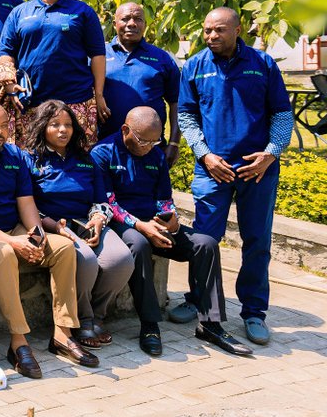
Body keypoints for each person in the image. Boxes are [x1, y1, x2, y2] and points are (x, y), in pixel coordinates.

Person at [0, 103, 92, 378]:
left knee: (62, 248)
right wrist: (14, 243)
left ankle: (62, 333)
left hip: (13, 227)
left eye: (4, 126)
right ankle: (18, 341)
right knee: (5, 253)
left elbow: (26, 203)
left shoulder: (14, 155)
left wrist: (36, 236)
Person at [92, 107, 249, 356]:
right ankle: (150, 324)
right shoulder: (102, 154)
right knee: (138, 244)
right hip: (121, 224)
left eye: (155, 141)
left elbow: (164, 200)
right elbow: (108, 204)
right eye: (143, 140)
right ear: (125, 130)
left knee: (206, 243)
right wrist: (141, 226)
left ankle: (210, 324)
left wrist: (171, 222)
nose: (148, 147)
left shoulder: (155, 155)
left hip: (155, 223)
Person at [177, 7, 292, 345]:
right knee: (204, 241)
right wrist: (205, 155)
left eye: (220, 30)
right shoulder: (195, 65)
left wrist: (270, 154)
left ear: (238, 29)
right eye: (207, 30)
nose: (212, 36)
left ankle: (254, 312)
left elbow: (283, 114)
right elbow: (186, 115)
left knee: (257, 241)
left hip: (257, 170)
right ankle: (198, 300)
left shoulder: (262, 64)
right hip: (213, 169)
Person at [22, 99, 133, 350]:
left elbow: (101, 200)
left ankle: (96, 314)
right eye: (55, 124)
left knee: (121, 260)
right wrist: (53, 225)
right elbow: (25, 206)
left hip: (86, 222)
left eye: (68, 125)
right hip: (53, 227)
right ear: (41, 127)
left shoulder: (85, 158)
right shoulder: (29, 160)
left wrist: (97, 219)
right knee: (86, 260)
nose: (63, 130)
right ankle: (82, 321)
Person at [0, 0, 108, 145]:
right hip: (30, 102)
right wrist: (9, 85)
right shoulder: (19, 12)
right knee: (31, 163)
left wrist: (98, 95)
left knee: (77, 161)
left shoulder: (83, 12)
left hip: (75, 101)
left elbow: (98, 55)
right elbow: (6, 53)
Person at [100, 2, 182, 160]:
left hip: (149, 148)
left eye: (138, 19)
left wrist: (174, 143)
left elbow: (176, 103)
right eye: (125, 19)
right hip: (105, 147)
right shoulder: (98, 56)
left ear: (145, 24)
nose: (132, 23)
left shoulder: (162, 59)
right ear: (115, 23)